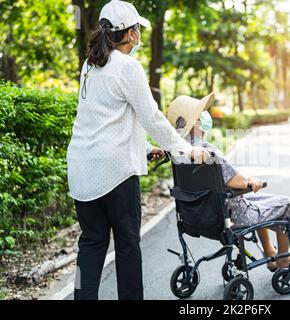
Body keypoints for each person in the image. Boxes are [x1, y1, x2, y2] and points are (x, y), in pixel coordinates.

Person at [66, 0, 209, 300]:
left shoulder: (90, 65)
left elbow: (104, 119)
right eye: (137, 30)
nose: (139, 35)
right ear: (130, 34)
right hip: (115, 174)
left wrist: (144, 149)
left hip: (82, 170)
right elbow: (153, 117)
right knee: (128, 244)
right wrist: (186, 150)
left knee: (91, 243)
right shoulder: (127, 66)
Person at [167, 94, 290, 271]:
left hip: (197, 215)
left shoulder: (177, 154)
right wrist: (251, 181)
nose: (203, 119)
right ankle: (283, 261)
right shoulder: (208, 152)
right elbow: (238, 182)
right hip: (230, 214)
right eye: (200, 116)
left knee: (260, 202)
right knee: (285, 203)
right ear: (195, 122)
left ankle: (269, 252)